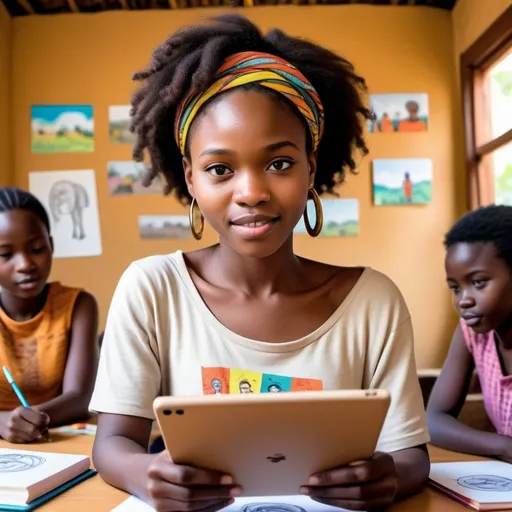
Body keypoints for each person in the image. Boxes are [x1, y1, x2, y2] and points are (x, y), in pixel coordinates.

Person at [90, 14, 430, 512]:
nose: (250, 192)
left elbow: (410, 457)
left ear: (311, 166)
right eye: (220, 169)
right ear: (190, 177)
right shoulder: (151, 289)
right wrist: (146, 473)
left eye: (279, 163)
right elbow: (112, 445)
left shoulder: (373, 302)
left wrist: (389, 478)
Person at [0, 187, 99, 443]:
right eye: (5, 254)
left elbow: (80, 397)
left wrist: (27, 420)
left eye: (36, 248)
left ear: (51, 246)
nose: (25, 264)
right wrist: (3, 422)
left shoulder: (79, 305)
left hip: (58, 441)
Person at [427, 205, 512, 461]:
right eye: (455, 287)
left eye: (478, 283)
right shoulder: (474, 333)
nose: (463, 300)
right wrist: (503, 447)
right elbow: (434, 420)